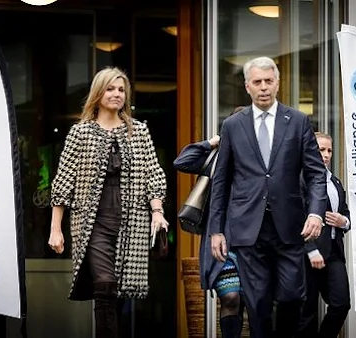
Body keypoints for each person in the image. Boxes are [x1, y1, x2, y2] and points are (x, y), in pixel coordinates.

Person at [208, 56, 327, 338]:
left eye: (268, 81)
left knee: (290, 296)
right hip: (248, 229)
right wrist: (216, 230)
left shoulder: (297, 121)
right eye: (257, 82)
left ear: (278, 83)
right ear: (247, 86)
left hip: (290, 226)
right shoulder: (233, 125)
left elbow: (315, 174)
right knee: (257, 302)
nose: (264, 87)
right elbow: (221, 181)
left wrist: (315, 213)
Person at [47, 67, 168, 338]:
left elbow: (154, 173)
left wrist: (157, 212)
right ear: (98, 93)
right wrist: (56, 229)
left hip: (132, 221)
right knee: (104, 284)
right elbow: (63, 182)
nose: (116, 94)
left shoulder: (139, 132)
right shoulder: (80, 133)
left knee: (122, 289)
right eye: (110, 89)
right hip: (93, 222)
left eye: (121, 90)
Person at [173, 106, 245, 338]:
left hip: (254, 240)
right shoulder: (216, 156)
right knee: (231, 297)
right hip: (222, 239)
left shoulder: (262, 159)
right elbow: (182, 161)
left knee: (251, 301)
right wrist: (211, 142)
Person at [295, 132, 351, 338]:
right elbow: (296, 218)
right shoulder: (300, 179)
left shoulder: (335, 182)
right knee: (306, 313)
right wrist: (310, 249)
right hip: (308, 252)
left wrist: (343, 221)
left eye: (329, 150)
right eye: (321, 150)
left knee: (341, 304)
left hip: (334, 251)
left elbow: (345, 212)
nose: (326, 155)